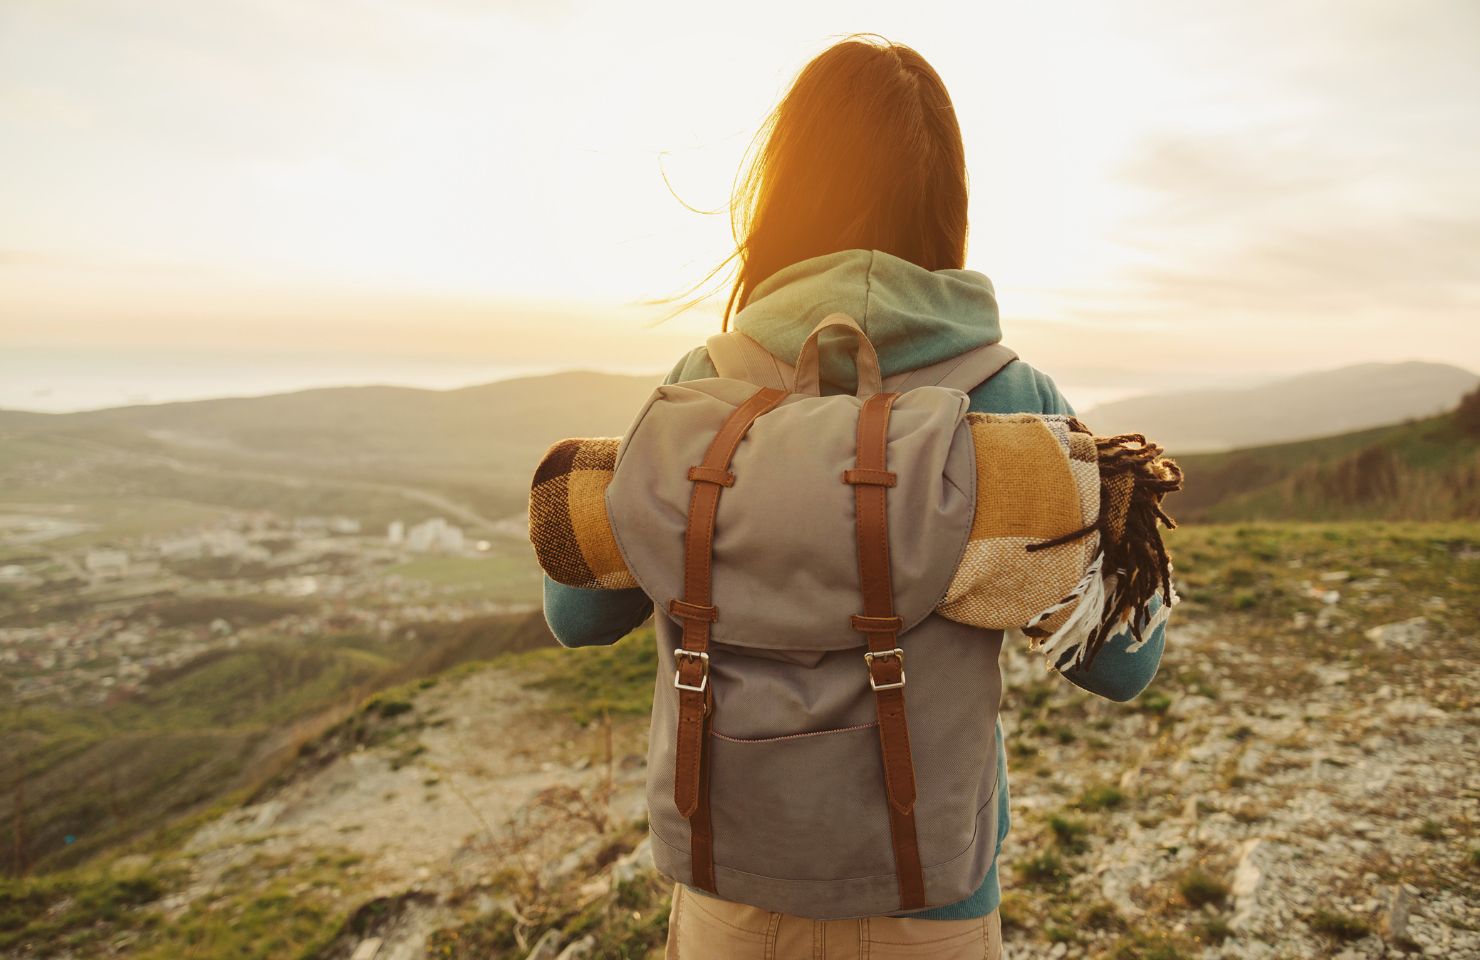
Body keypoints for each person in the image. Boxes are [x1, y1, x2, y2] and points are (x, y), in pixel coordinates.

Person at [541, 34, 1168, 960]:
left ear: (782, 194)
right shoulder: (1011, 400)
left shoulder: (701, 388)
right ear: (948, 203)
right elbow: (1123, 665)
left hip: (730, 899)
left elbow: (575, 614)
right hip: (933, 906)